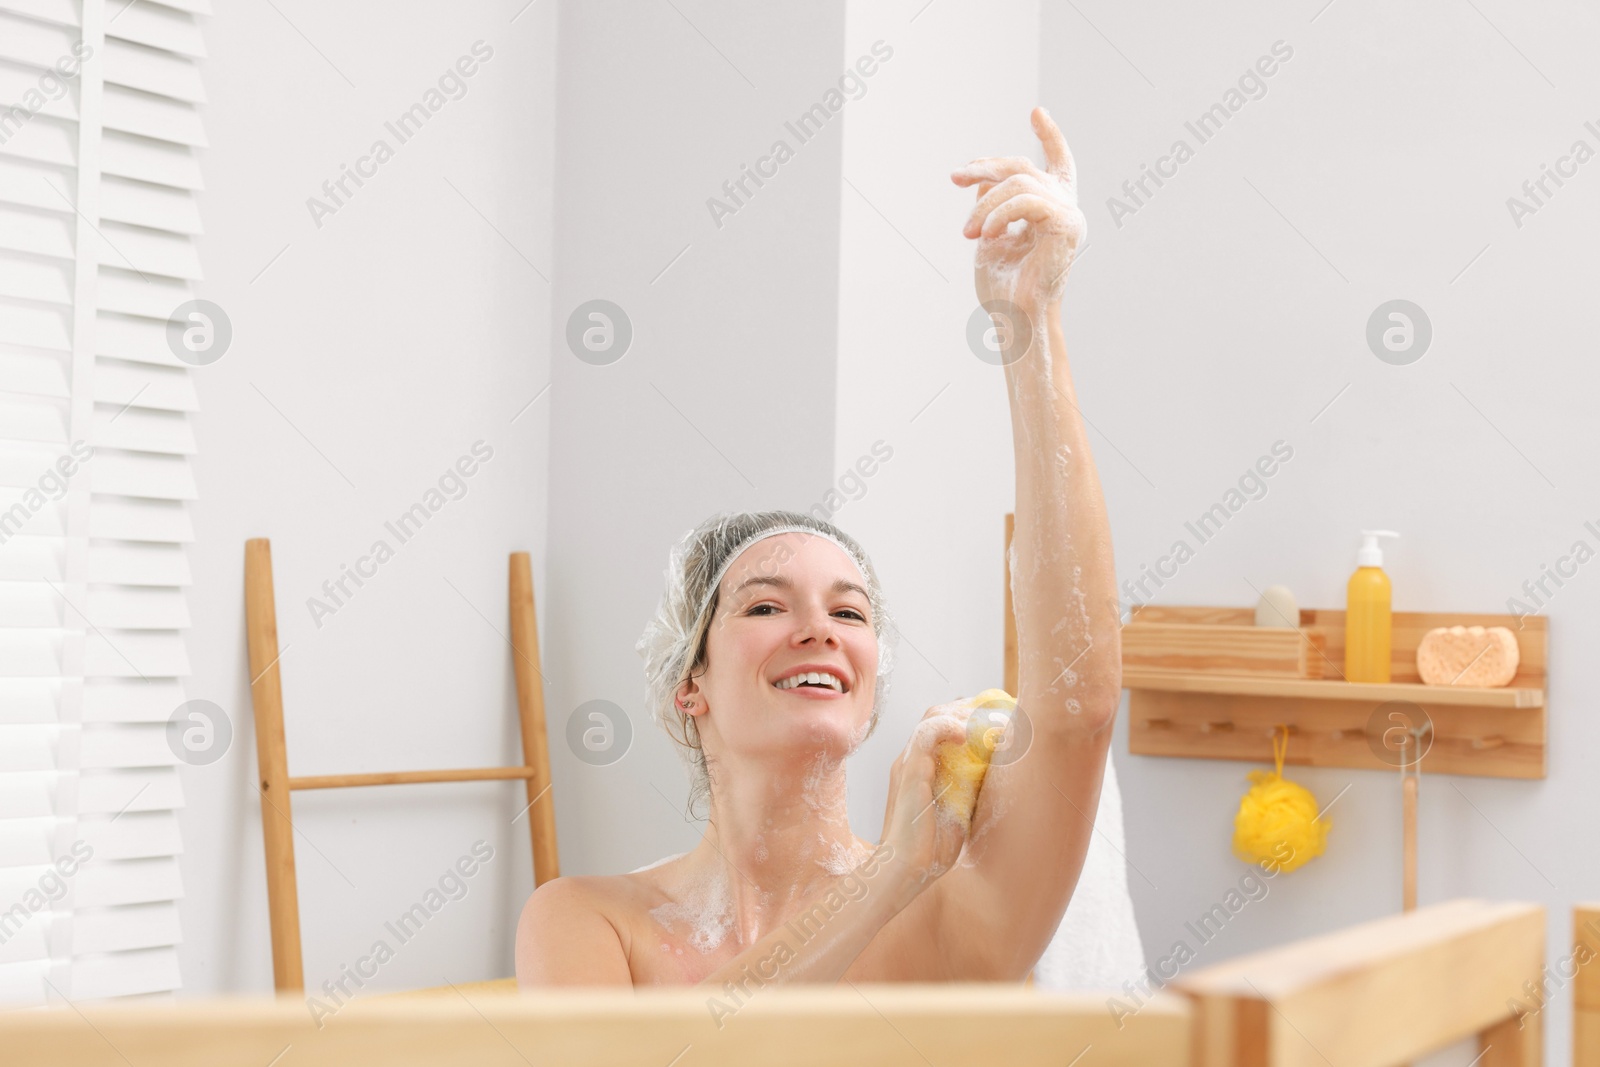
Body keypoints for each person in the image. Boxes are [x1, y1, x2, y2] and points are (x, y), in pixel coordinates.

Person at [516, 107, 1118, 987]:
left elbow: (1078, 705)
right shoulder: (585, 919)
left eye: (850, 610)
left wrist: (1031, 321)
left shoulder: (952, 912)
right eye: (766, 604)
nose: (820, 628)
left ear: (870, 686)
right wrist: (890, 872)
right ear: (689, 685)